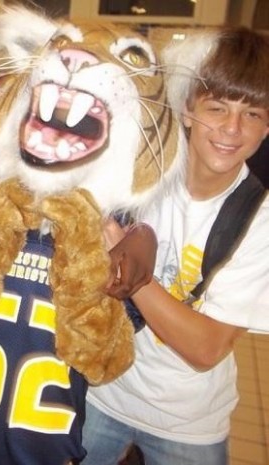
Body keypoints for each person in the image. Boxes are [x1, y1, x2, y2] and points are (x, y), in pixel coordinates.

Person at [81, 27, 269, 465]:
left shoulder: (258, 218)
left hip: (188, 422)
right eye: (216, 108)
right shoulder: (144, 168)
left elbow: (206, 348)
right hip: (104, 393)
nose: (231, 128)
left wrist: (127, 263)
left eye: (252, 114)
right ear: (187, 110)